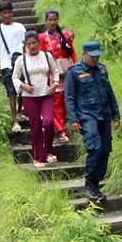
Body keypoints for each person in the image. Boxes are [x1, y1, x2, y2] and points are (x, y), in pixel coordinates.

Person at [64, 41, 120, 203]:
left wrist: (116, 114)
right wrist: (73, 119)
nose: (95, 59)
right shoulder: (74, 72)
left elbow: (110, 93)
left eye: (97, 56)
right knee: (94, 147)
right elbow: (69, 98)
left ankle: (95, 184)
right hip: (87, 116)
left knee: (105, 150)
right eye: (92, 55)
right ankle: (89, 182)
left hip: (104, 115)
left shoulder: (102, 70)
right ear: (83, 54)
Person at [12, 31, 59, 168]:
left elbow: (55, 72)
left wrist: (55, 84)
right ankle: (38, 157)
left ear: (39, 42)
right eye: (29, 44)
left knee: (49, 122)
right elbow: (15, 77)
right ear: (25, 44)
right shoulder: (22, 59)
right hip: (29, 97)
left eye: (34, 43)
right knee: (35, 125)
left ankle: (48, 151)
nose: (32, 46)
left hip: (46, 94)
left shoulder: (46, 56)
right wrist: (23, 85)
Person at [38, 8, 77, 143]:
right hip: (52, 73)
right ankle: (61, 130)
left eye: (55, 20)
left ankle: (68, 124)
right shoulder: (43, 37)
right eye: (50, 20)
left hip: (67, 71)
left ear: (58, 20)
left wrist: (76, 67)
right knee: (56, 102)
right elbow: (41, 56)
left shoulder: (65, 35)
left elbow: (72, 52)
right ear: (46, 21)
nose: (53, 22)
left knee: (68, 99)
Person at [0, 1, 26, 133]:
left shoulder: (20, 27)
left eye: (9, 12)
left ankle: (20, 111)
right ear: (1, 14)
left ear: (12, 12)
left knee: (22, 89)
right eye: (4, 13)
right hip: (6, 64)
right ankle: (15, 120)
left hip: (20, 62)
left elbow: (25, 43)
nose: (7, 15)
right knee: (11, 92)